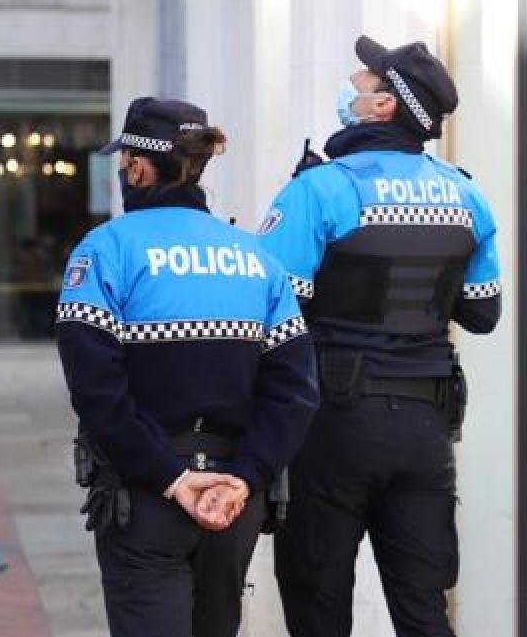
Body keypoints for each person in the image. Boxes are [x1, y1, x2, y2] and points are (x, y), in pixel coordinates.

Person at [259, 36, 502, 636]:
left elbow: (269, 313)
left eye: (365, 81)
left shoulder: (320, 191)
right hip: (425, 431)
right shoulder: (465, 194)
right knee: (423, 612)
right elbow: (481, 313)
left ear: (384, 107)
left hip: (332, 426)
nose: (351, 82)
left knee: (319, 607)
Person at [55, 97, 318, 637]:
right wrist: (245, 478)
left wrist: (173, 479)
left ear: (137, 166)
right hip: (233, 500)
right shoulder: (256, 258)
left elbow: (96, 390)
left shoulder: (105, 250)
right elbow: (295, 392)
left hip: (145, 494)